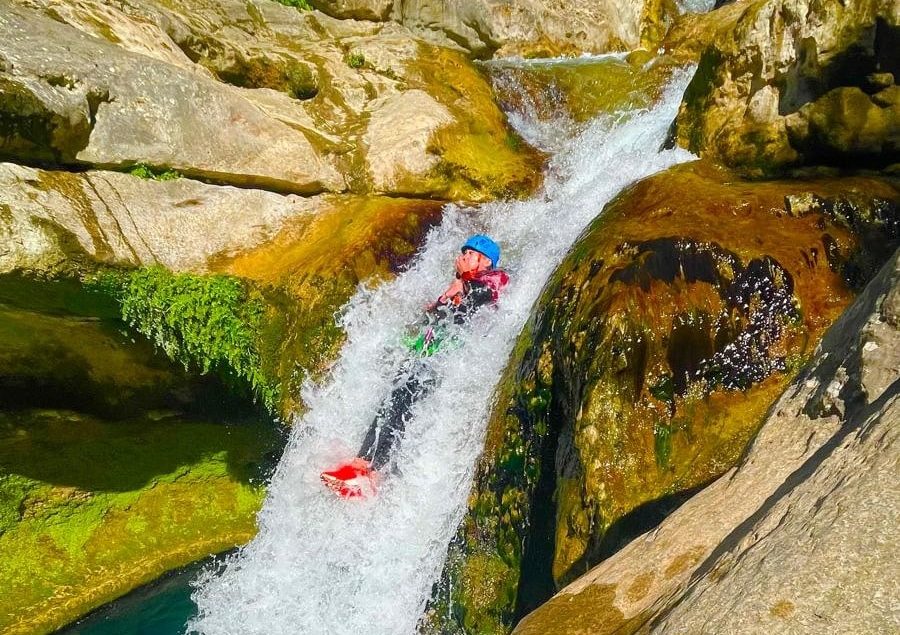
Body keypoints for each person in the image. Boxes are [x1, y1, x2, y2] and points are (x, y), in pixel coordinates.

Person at [321, 235, 509, 497]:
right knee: (389, 402)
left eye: (470, 254)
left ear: (486, 260)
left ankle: (374, 476)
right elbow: (435, 320)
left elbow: (484, 296)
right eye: (463, 252)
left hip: (442, 362)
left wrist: (463, 281)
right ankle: (360, 464)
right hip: (424, 356)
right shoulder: (460, 284)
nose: (463, 257)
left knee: (400, 407)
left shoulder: (494, 277)